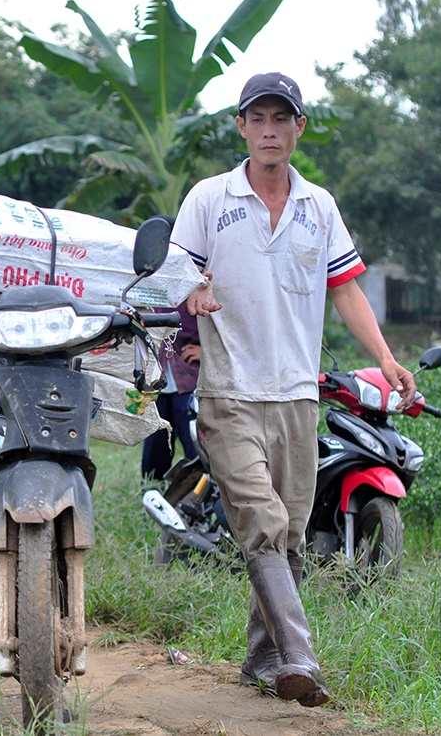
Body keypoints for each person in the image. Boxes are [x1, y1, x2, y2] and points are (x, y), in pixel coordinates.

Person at [172, 72, 416, 708]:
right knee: (262, 519)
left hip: (298, 397)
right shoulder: (208, 199)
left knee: (291, 535)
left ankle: (262, 658)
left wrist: (386, 358)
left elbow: (347, 288)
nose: (271, 130)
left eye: (283, 118)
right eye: (259, 118)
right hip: (229, 393)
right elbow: (172, 268)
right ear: (242, 127)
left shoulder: (319, 206)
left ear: (298, 128)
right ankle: (301, 655)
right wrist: (191, 290)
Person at [140, 306, 201, 483]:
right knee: (154, 450)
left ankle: (200, 501)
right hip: (155, 383)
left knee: (195, 448)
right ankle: (153, 497)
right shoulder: (147, 285)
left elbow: (219, 324)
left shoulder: (197, 285)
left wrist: (204, 351)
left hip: (191, 381)